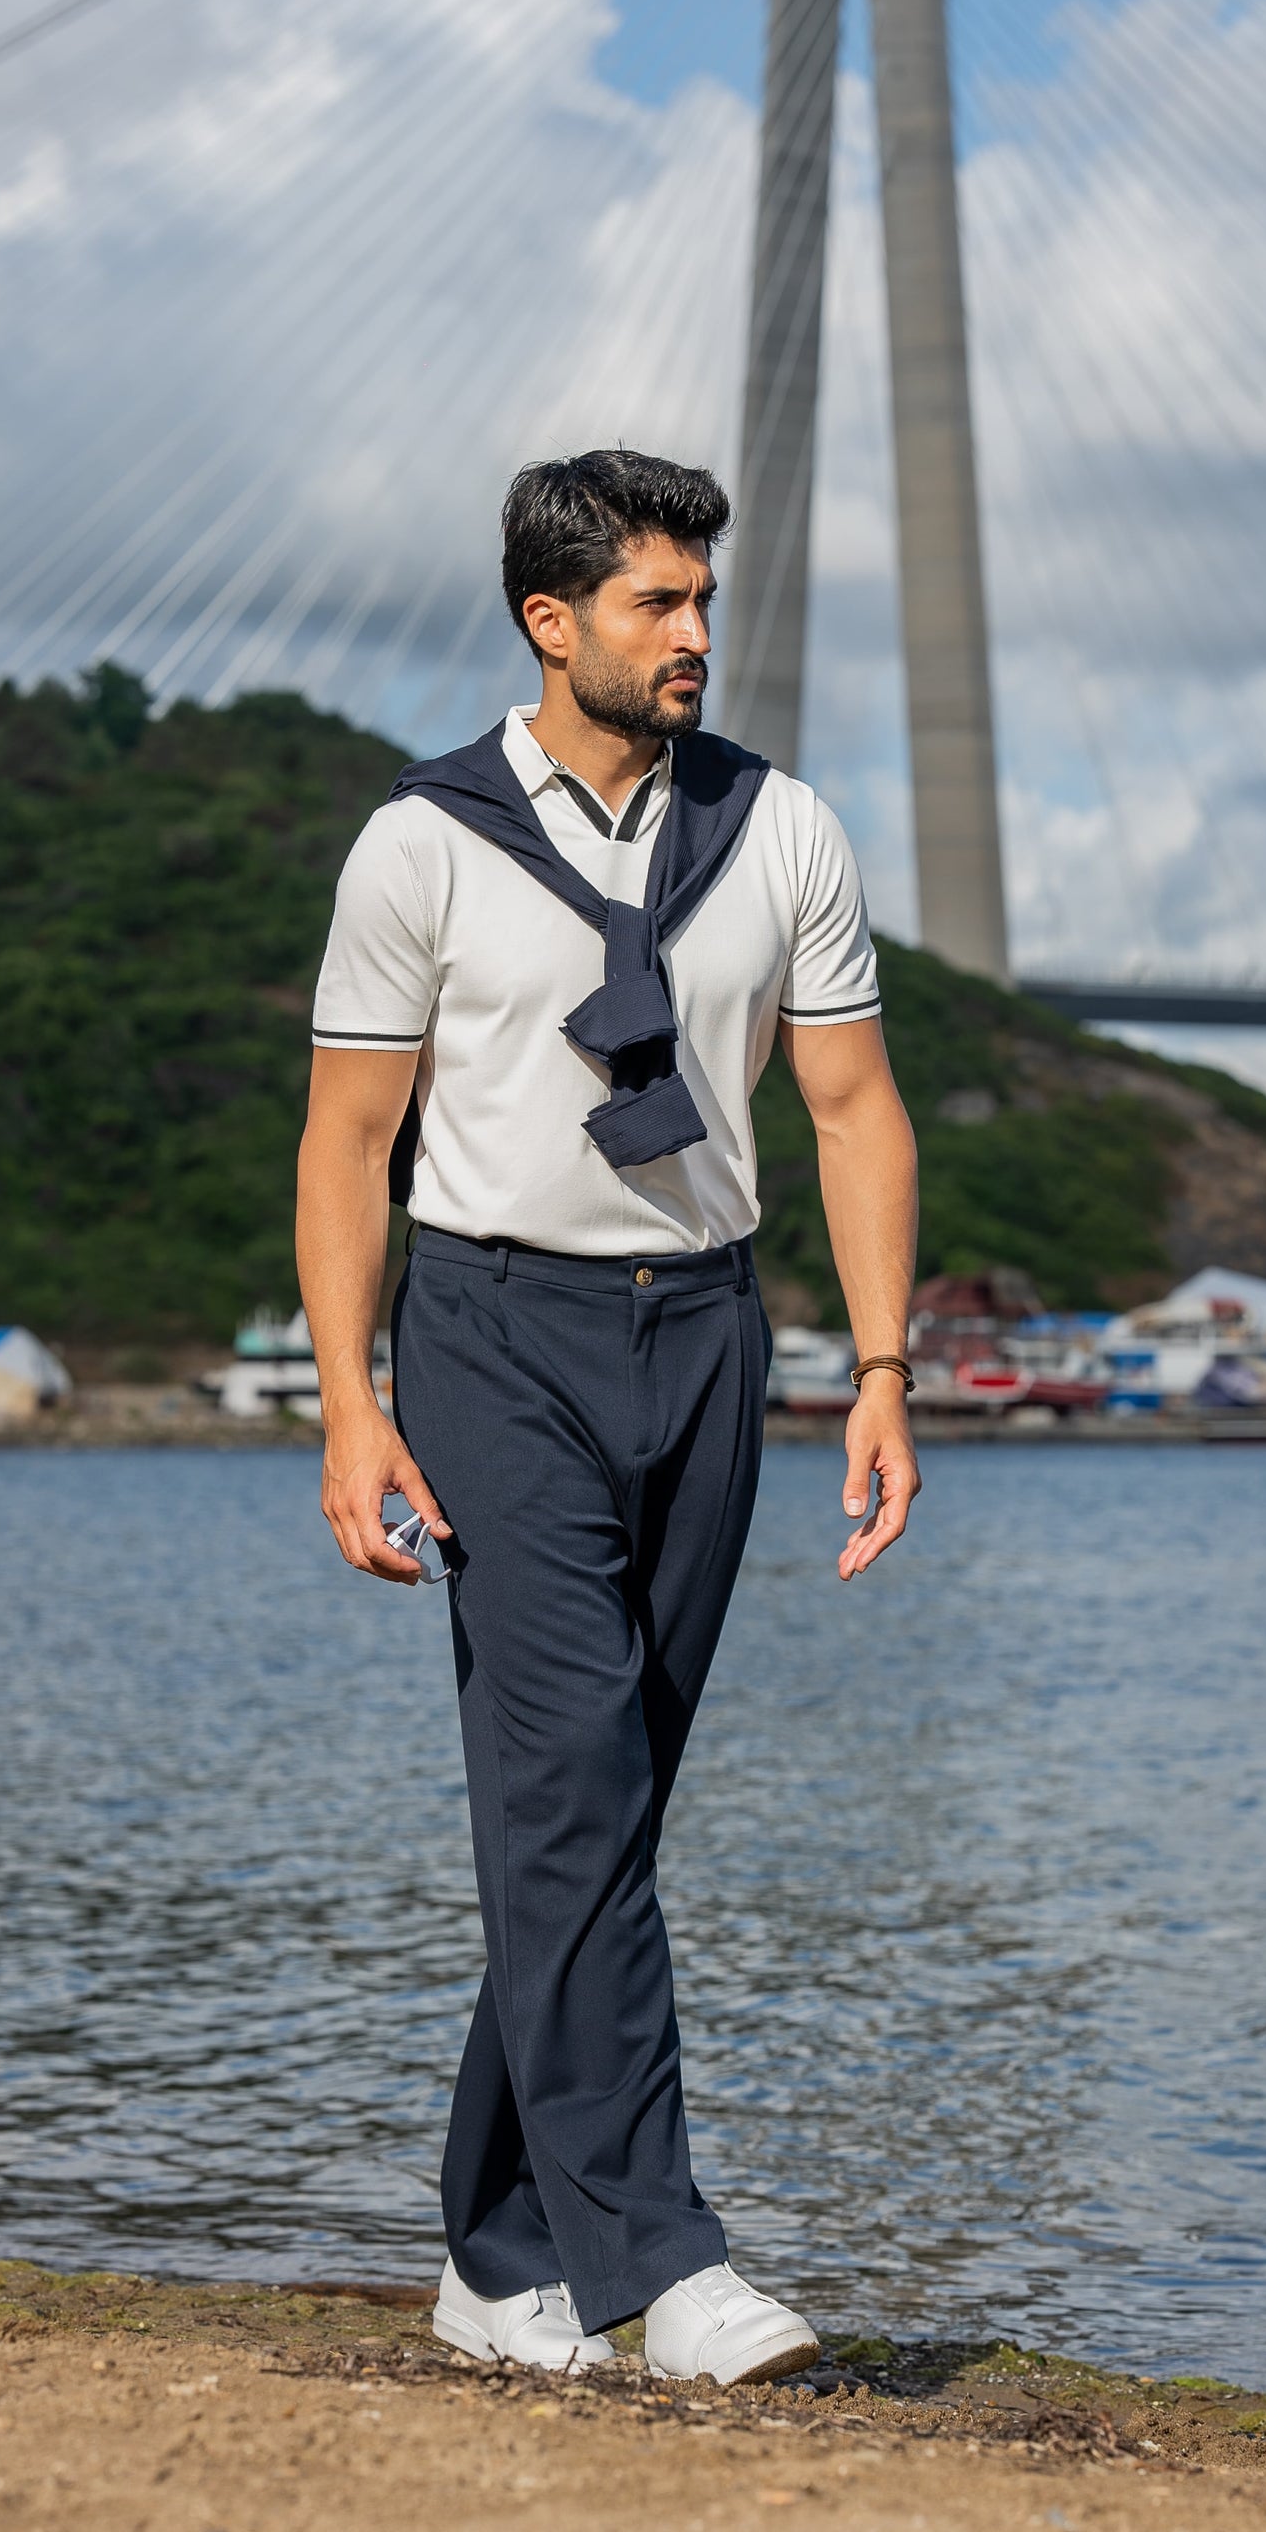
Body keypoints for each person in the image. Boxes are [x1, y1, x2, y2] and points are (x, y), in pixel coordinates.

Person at [296, 447, 921, 2385]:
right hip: (489, 1331)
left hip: (712, 1334)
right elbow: (348, 1137)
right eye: (659, 602)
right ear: (549, 621)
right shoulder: (422, 841)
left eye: (705, 600)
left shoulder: (782, 826)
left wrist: (882, 1365)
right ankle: (663, 2261)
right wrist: (346, 1402)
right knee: (569, 1789)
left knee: (600, 1802)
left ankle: (496, 2258)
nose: (697, 636)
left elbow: (851, 1109)